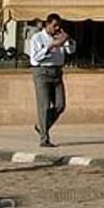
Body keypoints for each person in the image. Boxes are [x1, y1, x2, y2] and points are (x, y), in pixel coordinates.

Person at [27, 13, 76, 147]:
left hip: (57, 72)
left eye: (59, 25)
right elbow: (36, 57)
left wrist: (68, 40)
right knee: (44, 105)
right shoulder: (37, 38)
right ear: (47, 25)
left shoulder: (60, 37)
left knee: (60, 105)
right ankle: (44, 138)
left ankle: (42, 125)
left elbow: (71, 50)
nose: (57, 28)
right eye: (54, 25)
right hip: (42, 72)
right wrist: (51, 46)